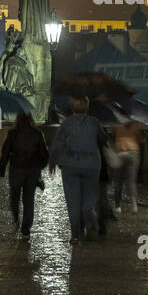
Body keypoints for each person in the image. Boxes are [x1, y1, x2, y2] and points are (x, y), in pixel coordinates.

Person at [49, 96, 107, 243]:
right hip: (91, 165)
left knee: (72, 201)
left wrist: (52, 163)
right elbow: (103, 140)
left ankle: (75, 235)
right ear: (87, 107)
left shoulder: (67, 123)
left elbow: (57, 145)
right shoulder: (94, 123)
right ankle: (89, 216)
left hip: (70, 165)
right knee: (89, 198)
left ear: (72, 107)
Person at [0, 113, 48, 240]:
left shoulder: (12, 133)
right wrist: (40, 168)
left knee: (14, 195)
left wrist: (2, 168)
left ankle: (16, 216)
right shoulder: (38, 133)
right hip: (32, 170)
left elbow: (5, 152)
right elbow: (44, 153)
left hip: (17, 169)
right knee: (29, 199)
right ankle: (26, 229)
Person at [112, 119, 144, 213]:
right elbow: (140, 139)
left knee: (118, 181)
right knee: (132, 181)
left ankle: (118, 206)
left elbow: (113, 134)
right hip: (133, 152)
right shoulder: (136, 123)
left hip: (120, 151)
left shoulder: (117, 122)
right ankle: (134, 206)